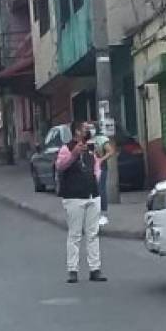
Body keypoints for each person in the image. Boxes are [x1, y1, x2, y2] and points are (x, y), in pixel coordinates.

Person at [56, 120, 106, 284]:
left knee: (93, 233)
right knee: (75, 234)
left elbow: (97, 164)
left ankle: (95, 269)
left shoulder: (91, 149)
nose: (89, 131)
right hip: (74, 197)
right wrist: (74, 154)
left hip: (92, 195)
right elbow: (60, 166)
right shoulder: (66, 148)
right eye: (85, 129)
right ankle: (73, 270)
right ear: (77, 132)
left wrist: (96, 177)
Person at [89, 122, 114, 227]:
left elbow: (110, 151)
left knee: (100, 190)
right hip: (90, 169)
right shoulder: (87, 140)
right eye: (88, 128)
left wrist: (101, 160)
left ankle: (103, 214)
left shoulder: (102, 139)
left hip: (101, 168)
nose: (90, 130)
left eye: (92, 128)